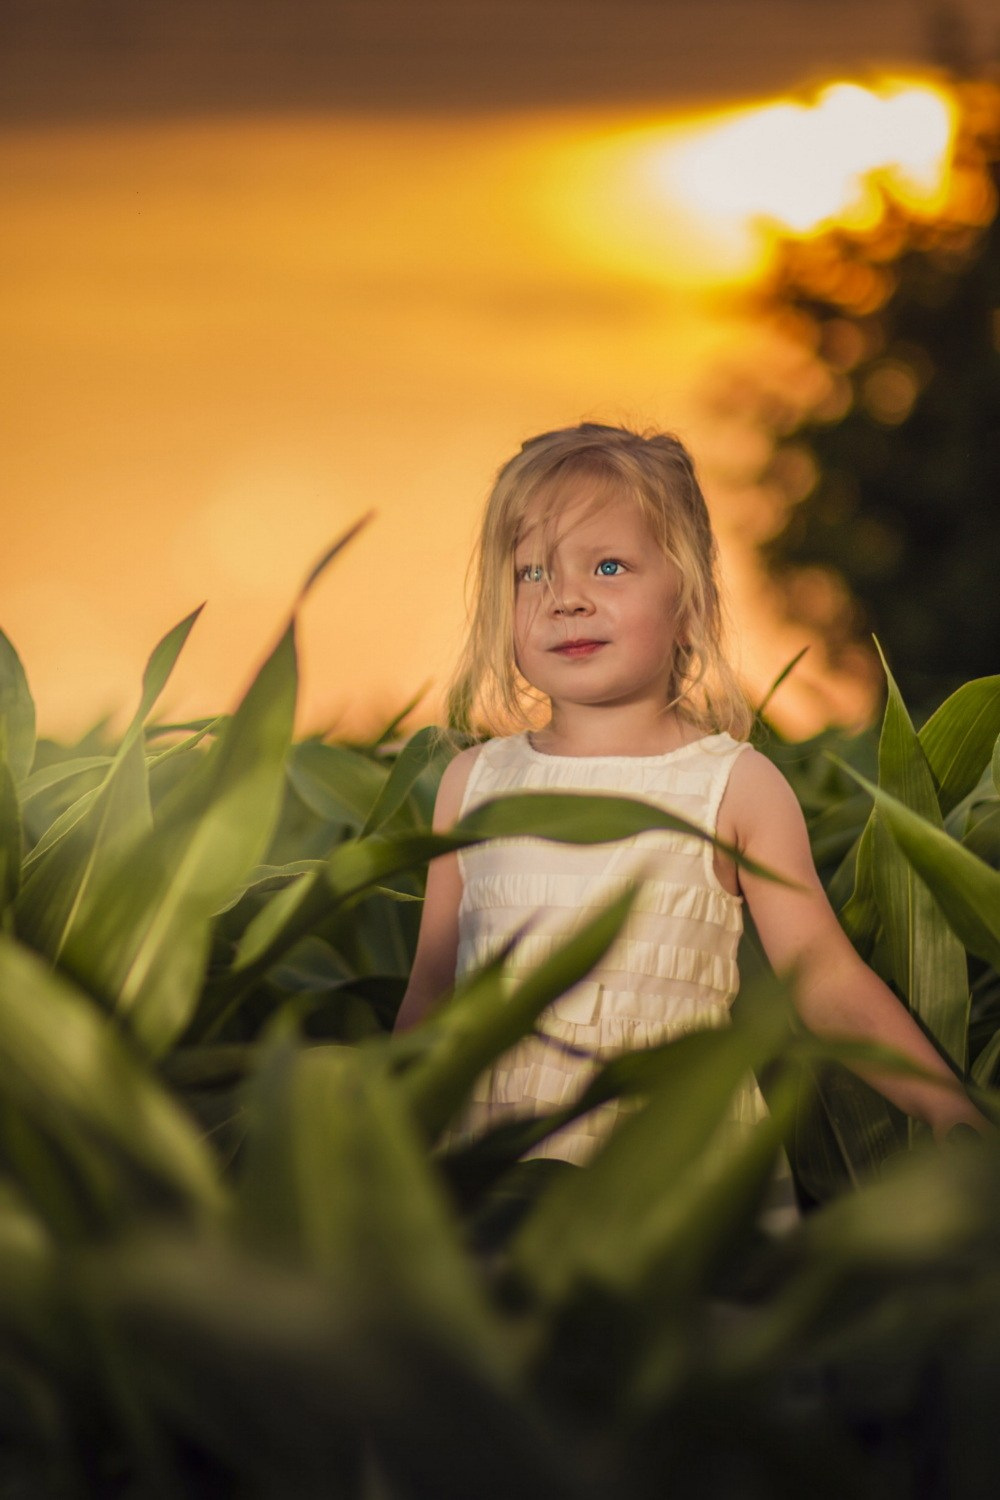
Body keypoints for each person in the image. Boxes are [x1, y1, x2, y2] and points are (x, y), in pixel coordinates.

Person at [394, 422, 987, 1179]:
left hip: (676, 1170)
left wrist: (946, 1106)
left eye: (608, 566)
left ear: (690, 602)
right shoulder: (470, 783)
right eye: (532, 574)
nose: (566, 600)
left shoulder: (732, 786)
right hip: (495, 1168)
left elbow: (823, 975)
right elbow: (431, 992)